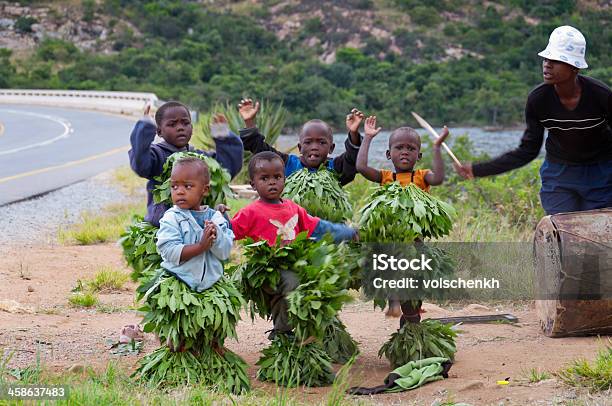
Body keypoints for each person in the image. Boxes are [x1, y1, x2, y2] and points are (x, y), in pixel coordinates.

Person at [454, 26, 612, 215]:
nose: (547, 64)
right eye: (546, 58)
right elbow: (527, 151)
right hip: (559, 173)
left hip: (601, 173)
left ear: (574, 67)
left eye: (556, 60)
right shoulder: (538, 100)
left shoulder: (601, 95)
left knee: (596, 233)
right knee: (561, 230)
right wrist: (479, 169)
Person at [229, 151, 356, 339]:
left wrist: (348, 232)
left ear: (285, 179)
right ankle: (283, 331)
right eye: (264, 178)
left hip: (293, 264)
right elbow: (229, 232)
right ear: (253, 184)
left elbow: (319, 227)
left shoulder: (292, 208)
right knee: (292, 282)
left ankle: (298, 329)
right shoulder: (250, 212)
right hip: (267, 270)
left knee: (318, 281)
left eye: (277, 177)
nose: (272, 182)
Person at [356, 116, 449, 323]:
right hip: (390, 241)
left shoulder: (422, 177)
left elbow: (439, 178)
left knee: (414, 292)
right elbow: (361, 168)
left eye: (411, 148)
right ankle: (394, 301)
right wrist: (368, 138)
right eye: (399, 148)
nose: (405, 152)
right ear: (389, 154)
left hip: (415, 243)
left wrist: (437, 147)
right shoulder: (386, 177)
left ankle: (410, 324)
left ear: (419, 155)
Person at [129, 102, 244, 227]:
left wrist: (223, 137)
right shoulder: (157, 155)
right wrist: (145, 128)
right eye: (172, 124)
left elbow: (225, 171)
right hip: (167, 228)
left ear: (192, 127)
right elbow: (141, 163)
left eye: (185, 123)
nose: (180, 128)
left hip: (202, 225)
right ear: (159, 131)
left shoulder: (201, 158)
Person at [237, 98, 364, 185]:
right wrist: (249, 122)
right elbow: (260, 148)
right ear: (300, 147)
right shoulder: (287, 164)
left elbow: (353, 159)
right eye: (308, 142)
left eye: (321, 142)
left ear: (331, 148)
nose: (314, 147)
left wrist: (353, 133)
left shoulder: (336, 167)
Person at [156, 157, 234, 293]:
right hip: (179, 283)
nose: (179, 191)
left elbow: (225, 252)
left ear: (205, 190)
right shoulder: (171, 217)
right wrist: (201, 247)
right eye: (174, 186)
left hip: (211, 285)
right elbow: (168, 251)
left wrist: (217, 236)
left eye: (187, 186)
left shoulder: (214, 218)